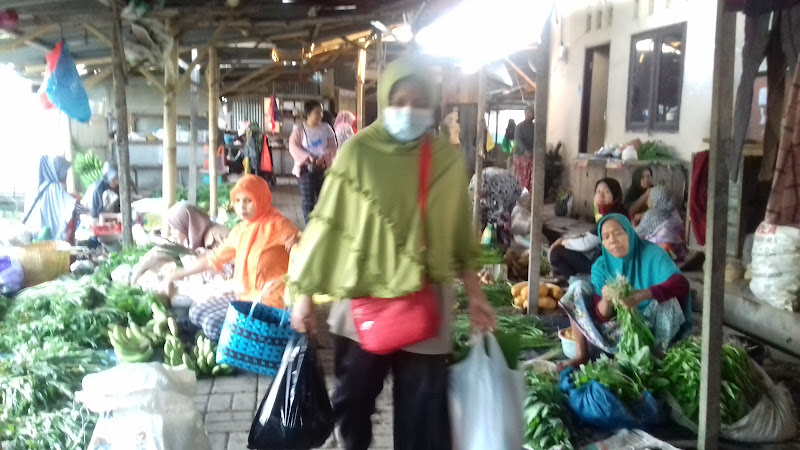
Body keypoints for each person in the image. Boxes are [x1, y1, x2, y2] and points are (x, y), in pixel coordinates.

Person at [286, 56, 496, 450]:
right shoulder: (358, 153)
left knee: (422, 419)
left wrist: (477, 294)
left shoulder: (446, 160)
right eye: (398, 100)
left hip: (426, 304)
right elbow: (326, 225)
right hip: (364, 305)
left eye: (418, 101)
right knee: (352, 405)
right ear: (383, 101)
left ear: (432, 105)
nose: (408, 110)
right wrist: (303, 295)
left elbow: (459, 236)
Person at [165, 175, 299, 340]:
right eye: (237, 200)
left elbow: (308, 250)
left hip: (272, 301)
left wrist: (299, 241)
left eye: (248, 200)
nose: (242, 206)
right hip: (246, 294)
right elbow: (213, 258)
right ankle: (239, 343)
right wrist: (179, 274)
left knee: (211, 323)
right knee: (196, 312)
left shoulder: (279, 226)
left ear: (261, 199)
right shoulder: (242, 229)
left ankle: (247, 350)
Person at [558, 213, 691, 368]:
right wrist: (606, 300)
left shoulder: (653, 254)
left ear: (629, 233)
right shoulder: (601, 266)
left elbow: (681, 284)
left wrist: (645, 294)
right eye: (606, 237)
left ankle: (655, 357)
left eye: (618, 233)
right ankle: (582, 355)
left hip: (652, 330)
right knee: (577, 287)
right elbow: (602, 316)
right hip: (620, 333)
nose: (612, 240)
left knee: (669, 304)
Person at [130, 203, 231, 285]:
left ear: (186, 224)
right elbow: (161, 252)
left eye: (175, 228)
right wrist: (139, 272)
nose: (173, 232)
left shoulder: (218, 234)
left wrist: (210, 254)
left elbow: (240, 257)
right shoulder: (188, 238)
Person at [549, 178, 627, 280]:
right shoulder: (618, 210)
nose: (601, 196)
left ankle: (575, 281)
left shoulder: (610, 217)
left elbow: (586, 244)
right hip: (608, 261)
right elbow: (590, 236)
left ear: (616, 195)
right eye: (598, 191)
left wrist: (564, 242)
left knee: (556, 252)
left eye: (607, 192)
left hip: (603, 265)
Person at [289, 100, 338, 223]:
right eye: (317, 112)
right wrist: (308, 157)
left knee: (324, 199)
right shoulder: (300, 130)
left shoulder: (326, 128)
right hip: (306, 169)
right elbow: (293, 146)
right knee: (308, 201)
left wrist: (325, 156)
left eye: (321, 112)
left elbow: (333, 145)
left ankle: (322, 225)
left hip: (323, 167)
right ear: (308, 114)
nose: (320, 115)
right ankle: (309, 227)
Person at [23, 155, 80, 241]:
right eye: (64, 170)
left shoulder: (42, 186)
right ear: (56, 170)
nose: (66, 174)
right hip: (51, 242)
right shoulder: (54, 188)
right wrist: (87, 209)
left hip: (37, 238)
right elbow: (73, 206)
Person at [635, 185, 687, 262]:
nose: (647, 201)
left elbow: (639, 232)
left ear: (656, 199)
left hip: (659, 249)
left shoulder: (651, 214)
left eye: (650, 198)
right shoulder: (673, 211)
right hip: (675, 250)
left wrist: (633, 225)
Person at [514, 105, 535, 191]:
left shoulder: (535, 127)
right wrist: (525, 151)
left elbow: (537, 140)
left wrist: (533, 152)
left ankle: (529, 193)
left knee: (532, 175)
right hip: (520, 154)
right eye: (529, 113)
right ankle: (520, 191)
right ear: (525, 114)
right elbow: (518, 140)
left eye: (532, 113)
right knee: (521, 176)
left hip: (532, 154)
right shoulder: (519, 127)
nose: (531, 115)